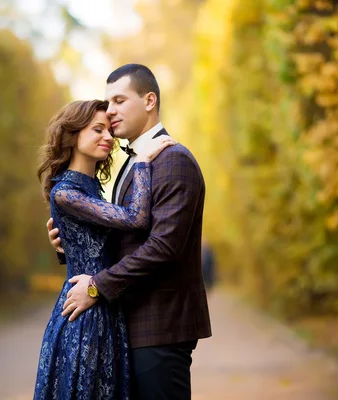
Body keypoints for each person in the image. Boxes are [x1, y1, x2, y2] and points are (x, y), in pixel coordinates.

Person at [47, 64, 212, 399]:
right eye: (108, 103)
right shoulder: (137, 163)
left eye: (119, 100)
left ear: (149, 100)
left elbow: (164, 247)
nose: (111, 111)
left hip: (160, 327)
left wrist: (95, 287)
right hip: (130, 326)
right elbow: (123, 237)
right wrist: (71, 244)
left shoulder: (171, 160)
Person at [34, 99, 176, 400]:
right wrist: (142, 163)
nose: (108, 137)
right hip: (84, 317)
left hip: (103, 306)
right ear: (72, 136)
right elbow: (136, 218)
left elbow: (96, 244)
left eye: (109, 130)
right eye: (97, 129)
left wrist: (64, 249)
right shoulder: (66, 192)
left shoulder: (92, 189)